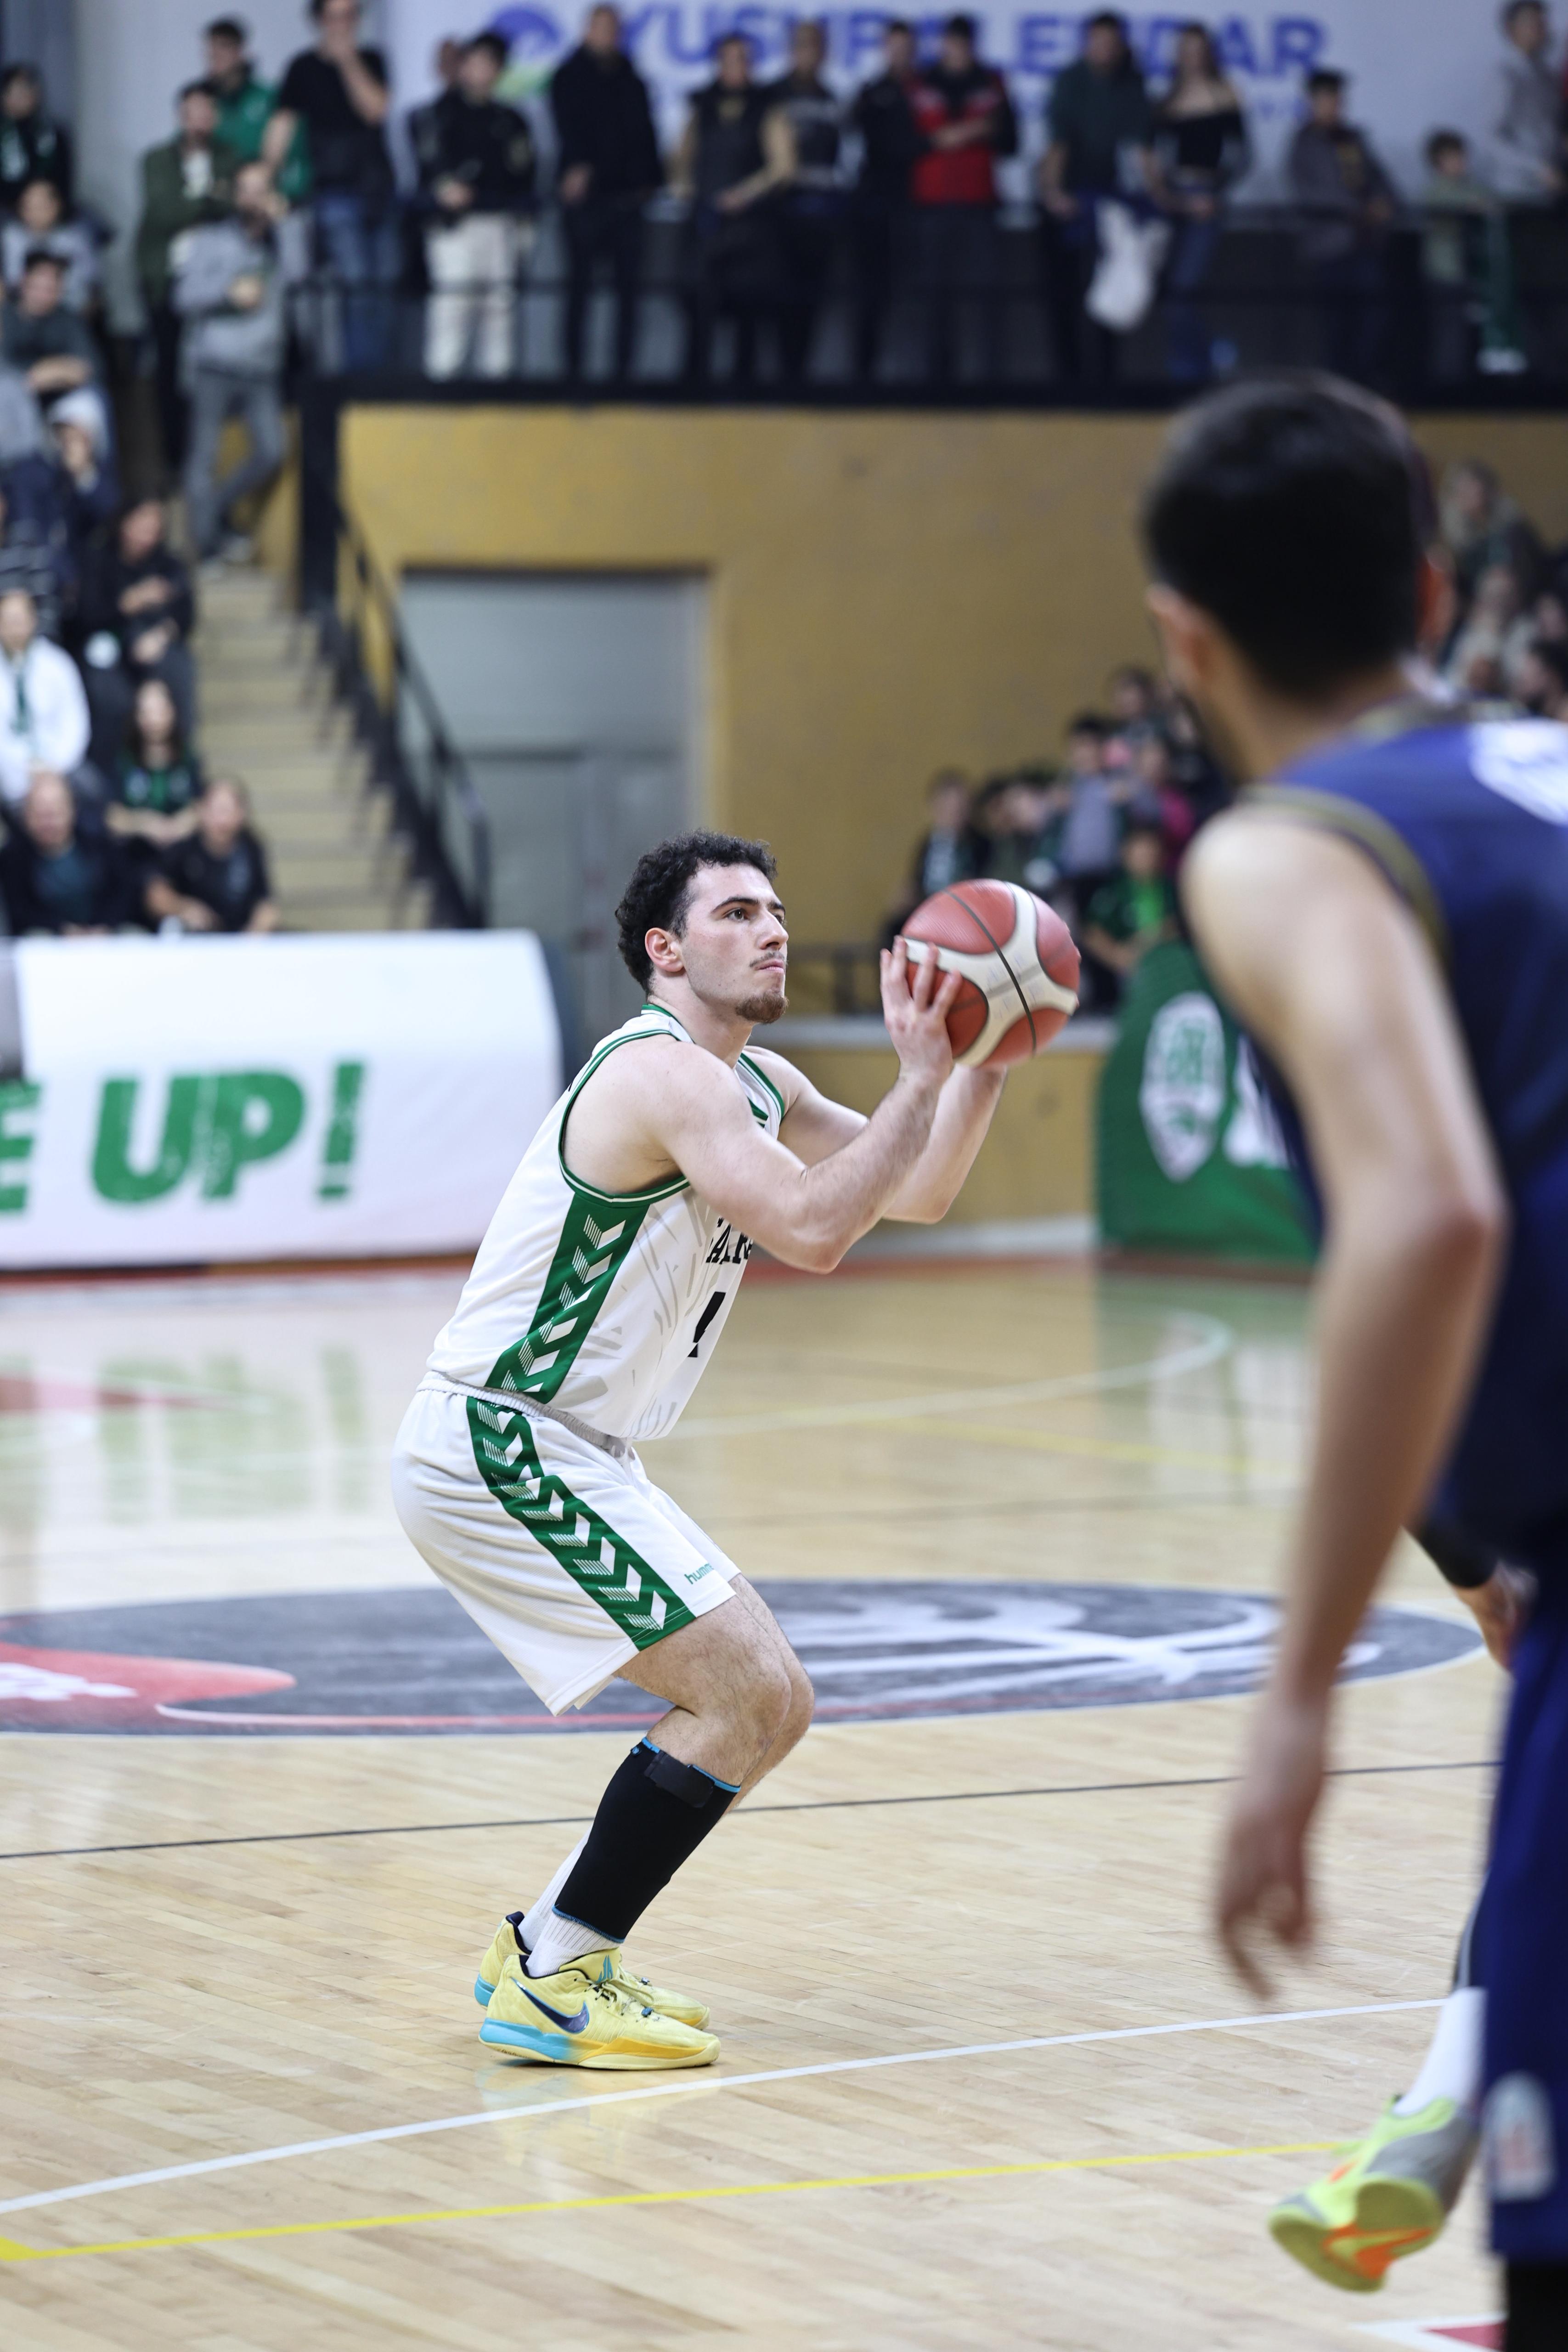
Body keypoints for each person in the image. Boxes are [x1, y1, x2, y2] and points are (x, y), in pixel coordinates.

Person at [1142, 373, 1568, 2346]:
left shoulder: (1283, 846)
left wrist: (1297, 1691)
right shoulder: (1544, 768)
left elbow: (1425, 1219)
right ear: (1426, 581)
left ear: (1185, 640)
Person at [389, 829, 1005, 2066]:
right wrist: (915, 1076)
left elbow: (919, 1191)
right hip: (501, 1438)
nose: (771, 929)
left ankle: (561, 1949)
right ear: (663, 951)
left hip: (579, 1448)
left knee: (767, 1699)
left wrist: (980, 1059)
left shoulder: (754, 1083)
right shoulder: (665, 1077)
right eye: (735, 913)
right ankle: (553, 1968)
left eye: (776, 910)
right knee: (744, 1690)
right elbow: (813, 1230)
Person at [175, 158, 309, 562]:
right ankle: (207, 546)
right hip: (213, 362)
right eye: (246, 188)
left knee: (272, 451)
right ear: (236, 194)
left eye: (261, 188)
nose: (253, 197)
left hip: (263, 367)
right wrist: (226, 292)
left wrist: (285, 226)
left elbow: (301, 276)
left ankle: (213, 510)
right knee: (204, 457)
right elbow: (181, 297)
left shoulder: (284, 237)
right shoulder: (211, 239)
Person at [267, 0, 397, 372]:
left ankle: (379, 378)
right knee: (354, 288)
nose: (343, 25)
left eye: (350, 15)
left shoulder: (371, 59)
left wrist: (347, 61)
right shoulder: (303, 68)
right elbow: (282, 125)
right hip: (333, 192)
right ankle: (358, 381)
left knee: (385, 289)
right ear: (318, 21)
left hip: (379, 190)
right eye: (334, 16)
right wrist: (266, 172)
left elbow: (375, 109)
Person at [1038, 11, 1154, 390]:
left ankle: (1106, 379)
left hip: (1115, 202)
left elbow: (1142, 151)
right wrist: (1054, 192)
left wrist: (1164, 198)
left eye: (1110, 42)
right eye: (1097, 41)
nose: (1103, 50)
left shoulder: (1133, 84)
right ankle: (1065, 379)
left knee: (1114, 292)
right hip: (1071, 197)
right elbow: (1058, 144)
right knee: (1065, 290)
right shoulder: (1070, 81)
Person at [550, 6, 663, 386]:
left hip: (628, 201)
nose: (607, 36)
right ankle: (573, 377)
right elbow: (569, 129)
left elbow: (645, 134)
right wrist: (580, 166)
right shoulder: (569, 76)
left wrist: (652, 179)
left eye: (613, 29)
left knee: (628, 294)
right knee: (579, 290)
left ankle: (623, 378)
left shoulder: (632, 78)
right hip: (587, 203)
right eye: (600, 28)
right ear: (587, 32)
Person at [413, 32, 535, 381]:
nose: (482, 71)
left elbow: (524, 172)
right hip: (455, 227)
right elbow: (428, 166)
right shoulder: (439, 114)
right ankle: (440, 389)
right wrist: (444, 187)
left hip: (500, 223)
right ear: (463, 66)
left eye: (490, 64)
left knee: (499, 312)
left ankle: (497, 394)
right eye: (475, 62)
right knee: (452, 309)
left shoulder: (511, 120)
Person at [676, 34, 794, 386]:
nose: (736, 67)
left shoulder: (767, 106)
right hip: (707, 221)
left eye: (743, 59)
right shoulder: (703, 104)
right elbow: (682, 157)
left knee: (749, 307)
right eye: (729, 60)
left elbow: (784, 166)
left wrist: (746, 194)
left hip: (751, 224)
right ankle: (693, 384)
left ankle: (745, 386)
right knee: (698, 303)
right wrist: (684, 186)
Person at [135, 81, 239, 476]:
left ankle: (211, 462)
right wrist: (210, 197)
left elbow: (236, 202)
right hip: (167, 279)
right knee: (168, 374)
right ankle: (175, 463)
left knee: (211, 373)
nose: (199, 118)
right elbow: (163, 212)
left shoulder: (228, 156)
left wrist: (199, 200)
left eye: (206, 110)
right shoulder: (158, 158)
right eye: (192, 110)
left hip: (215, 281)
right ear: (181, 114)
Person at [908, 14, 1017, 384]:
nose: (958, 50)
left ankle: (989, 377)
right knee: (934, 294)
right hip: (931, 201)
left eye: (965, 43)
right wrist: (965, 133)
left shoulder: (992, 83)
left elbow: (1011, 141)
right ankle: (936, 377)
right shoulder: (920, 83)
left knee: (986, 292)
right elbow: (904, 142)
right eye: (952, 43)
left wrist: (976, 133)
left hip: (979, 201)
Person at [1150, 24, 1248, 385]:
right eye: (1186, 50)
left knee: (1186, 288)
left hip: (1207, 199)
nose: (1193, 57)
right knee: (1168, 291)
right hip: (1173, 200)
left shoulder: (1225, 94)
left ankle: (1201, 370)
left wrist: (1215, 192)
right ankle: (1184, 367)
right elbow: (1155, 154)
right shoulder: (1167, 98)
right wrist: (1163, 192)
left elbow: (1241, 155)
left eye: (1199, 49)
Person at [1287, 70, 1397, 386]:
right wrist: (1358, 209)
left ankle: (1364, 381)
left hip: (1366, 243)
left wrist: (1383, 203)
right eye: (1324, 99)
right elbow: (1308, 192)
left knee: (1373, 317)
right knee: (1334, 322)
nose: (1331, 106)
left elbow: (1380, 180)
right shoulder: (1304, 143)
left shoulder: (1354, 139)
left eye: (1335, 99)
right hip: (1329, 245)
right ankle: (1335, 384)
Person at [78, 497, 197, 761]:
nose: (148, 536)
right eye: (143, 526)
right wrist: (128, 603)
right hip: (111, 645)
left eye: (155, 529)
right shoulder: (99, 558)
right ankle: (112, 766)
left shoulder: (169, 564)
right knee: (106, 684)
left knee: (179, 667)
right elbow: (85, 616)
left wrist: (162, 634)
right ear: (124, 524)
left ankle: (181, 763)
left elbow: (186, 615)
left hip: (155, 645)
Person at [764, 20, 844, 384]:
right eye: (803, 45)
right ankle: (776, 377)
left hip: (823, 214)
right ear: (791, 50)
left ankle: (799, 377)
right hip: (782, 212)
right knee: (777, 296)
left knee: (813, 298)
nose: (809, 53)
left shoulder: (832, 99)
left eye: (816, 46)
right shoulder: (772, 95)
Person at [1421, 129, 1527, 381]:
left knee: (1481, 336)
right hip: (1446, 275)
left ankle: (1480, 389)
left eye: (1461, 156)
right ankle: (1447, 389)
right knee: (1450, 336)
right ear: (1437, 161)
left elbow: (1494, 205)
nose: (1459, 162)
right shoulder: (1434, 192)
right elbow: (1453, 209)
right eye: (1451, 157)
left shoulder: (1475, 187)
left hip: (1480, 277)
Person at [850, 19, 923, 382]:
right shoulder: (871, 92)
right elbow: (866, 143)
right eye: (894, 48)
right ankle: (864, 374)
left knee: (922, 297)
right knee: (870, 293)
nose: (901, 56)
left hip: (922, 204)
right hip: (876, 206)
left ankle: (926, 380)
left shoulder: (928, 90)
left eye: (907, 48)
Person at [0, 769, 133, 938]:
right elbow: (19, 911)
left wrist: (104, 927)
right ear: (26, 815)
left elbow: (123, 893)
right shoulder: (12, 857)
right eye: (40, 815)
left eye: (55, 814)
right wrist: (62, 930)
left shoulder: (100, 843)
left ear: (72, 810)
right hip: (48, 939)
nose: (48, 823)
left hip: (104, 934)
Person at [146, 775, 277, 934]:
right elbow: (156, 893)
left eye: (228, 810)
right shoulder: (185, 845)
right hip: (195, 938)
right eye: (216, 810)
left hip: (240, 938)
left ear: (242, 813)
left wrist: (255, 933)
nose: (221, 820)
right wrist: (183, 908)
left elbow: (265, 903)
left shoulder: (251, 847)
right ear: (201, 810)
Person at [0, 589, 90, 813]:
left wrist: (52, 769)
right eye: (7, 621)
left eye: (19, 620)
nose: (14, 628)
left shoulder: (58, 664)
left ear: (34, 621)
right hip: (8, 770)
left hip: (61, 767)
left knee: (95, 795)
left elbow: (76, 725)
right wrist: (24, 769)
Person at [204, 13, 307, 199]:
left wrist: (284, 194)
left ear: (240, 51)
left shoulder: (270, 99)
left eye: (224, 48)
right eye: (212, 51)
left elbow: (295, 155)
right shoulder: (205, 102)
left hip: (269, 195)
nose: (217, 57)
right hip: (221, 200)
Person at [1, 252, 103, 425]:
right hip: (12, 400)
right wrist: (33, 377)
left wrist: (47, 373)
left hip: (60, 398)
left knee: (90, 404)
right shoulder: (5, 317)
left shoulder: (68, 319)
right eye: (38, 287)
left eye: (51, 289)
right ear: (24, 283)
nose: (43, 296)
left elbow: (89, 368)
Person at [105, 676, 203, 855]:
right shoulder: (123, 761)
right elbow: (113, 818)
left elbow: (201, 807)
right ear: (136, 716)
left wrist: (177, 826)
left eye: (159, 710)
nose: (153, 720)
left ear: (172, 711)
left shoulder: (188, 759)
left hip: (184, 858)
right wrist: (146, 824)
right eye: (146, 711)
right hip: (136, 857)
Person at [1081, 816, 1177, 988]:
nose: (1147, 858)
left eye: (1151, 851)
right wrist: (1118, 956)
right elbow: (1092, 934)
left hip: (1170, 965)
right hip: (1134, 973)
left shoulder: (1170, 888)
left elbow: (1175, 926)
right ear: (1125, 854)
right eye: (1140, 853)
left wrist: (1149, 941)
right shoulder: (1113, 892)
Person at [1490, 0, 1565, 201]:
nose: (1539, 30)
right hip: (1518, 190)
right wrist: (1538, 169)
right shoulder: (1505, 75)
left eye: (1542, 23)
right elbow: (1492, 139)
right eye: (1531, 24)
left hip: (1553, 186)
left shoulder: (1548, 76)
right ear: (1511, 29)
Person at [2, 179, 99, 316]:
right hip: (22, 313)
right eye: (28, 206)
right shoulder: (11, 237)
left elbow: (89, 280)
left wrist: (51, 293)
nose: (34, 213)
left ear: (57, 206)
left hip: (69, 310)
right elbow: (12, 279)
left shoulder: (75, 238)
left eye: (42, 206)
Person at [0, 66, 72, 214]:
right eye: (16, 90)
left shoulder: (54, 134)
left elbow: (63, 182)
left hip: (48, 211)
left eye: (28, 88)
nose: (23, 96)